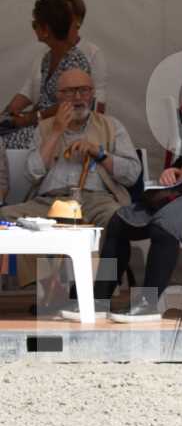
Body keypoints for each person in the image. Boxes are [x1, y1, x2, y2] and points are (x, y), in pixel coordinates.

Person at [0, 66, 141, 316]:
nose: (77, 97)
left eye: (83, 90)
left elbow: (132, 173)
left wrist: (99, 153)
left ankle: (97, 298)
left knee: (118, 221)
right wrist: (56, 132)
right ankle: (53, 296)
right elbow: (32, 172)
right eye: (69, 92)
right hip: (51, 201)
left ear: (92, 93)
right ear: (58, 98)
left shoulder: (111, 126)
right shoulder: (44, 128)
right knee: (7, 218)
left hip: (98, 198)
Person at [95, 154, 182, 322]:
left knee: (165, 224)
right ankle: (100, 299)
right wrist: (172, 172)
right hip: (180, 192)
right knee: (120, 220)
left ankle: (148, 304)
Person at [1, 0, 93, 151]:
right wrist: (18, 116)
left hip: (60, 132)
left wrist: (30, 119)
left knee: (3, 144)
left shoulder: (75, 62)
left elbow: (71, 105)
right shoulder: (48, 58)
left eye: (34, 24)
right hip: (41, 127)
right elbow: (44, 100)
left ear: (46, 31)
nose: (33, 28)